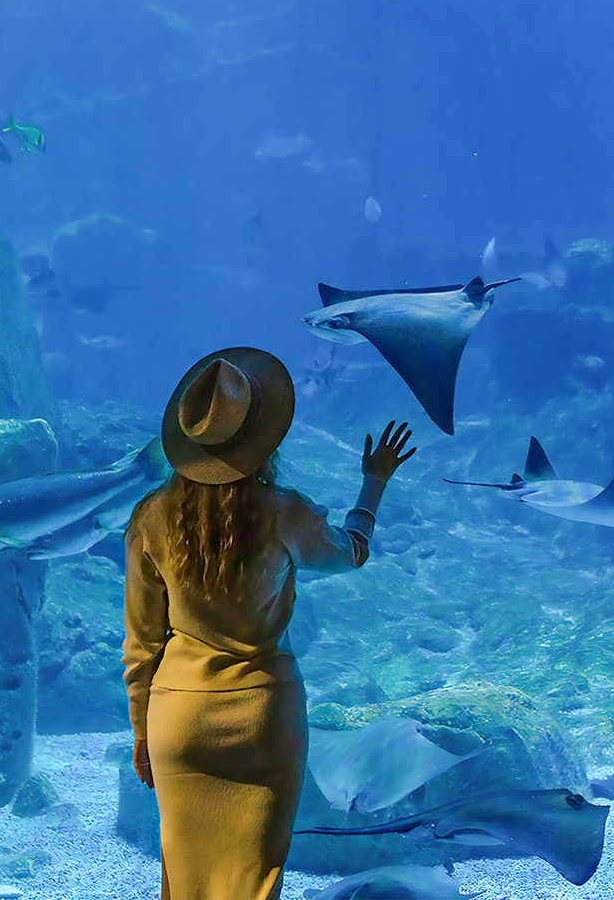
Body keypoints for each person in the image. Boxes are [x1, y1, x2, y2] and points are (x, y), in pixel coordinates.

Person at [122, 347, 416, 900]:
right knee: (253, 880)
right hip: (263, 718)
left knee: (183, 881)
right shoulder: (284, 511)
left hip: (177, 720)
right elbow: (351, 552)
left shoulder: (150, 517)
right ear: (263, 438)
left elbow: (142, 644)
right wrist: (373, 484)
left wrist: (142, 732)